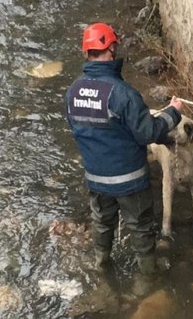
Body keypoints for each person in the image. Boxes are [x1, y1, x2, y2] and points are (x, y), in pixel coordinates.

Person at [64, 22, 183, 275]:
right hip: (130, 180)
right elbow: (148, 133)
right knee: (140, 226)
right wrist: (173, 113)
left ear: (86, 53)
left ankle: (101, 265)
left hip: (96, 180)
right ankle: (147, 277)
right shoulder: (123, 93)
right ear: (112, 50)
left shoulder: (73, 92)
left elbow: (78, 128)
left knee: (102, 222)